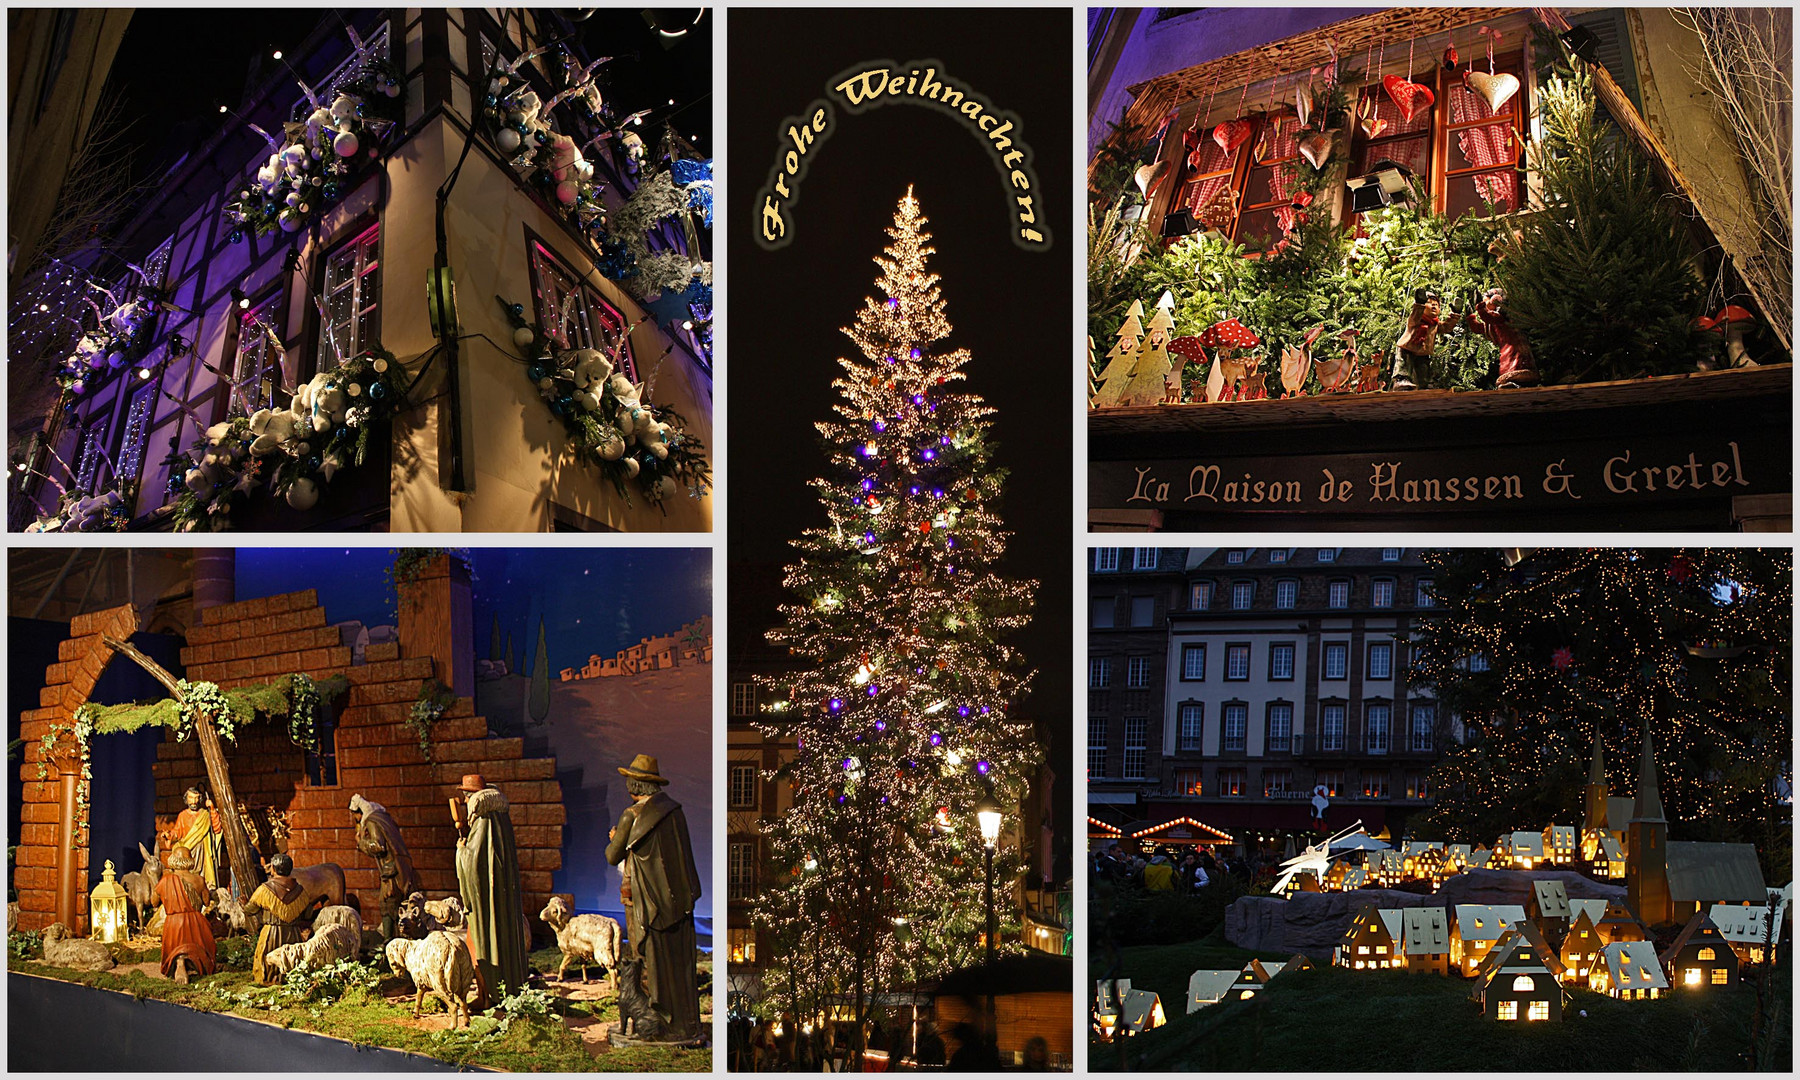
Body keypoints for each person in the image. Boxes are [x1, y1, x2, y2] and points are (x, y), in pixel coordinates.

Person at [605, 753, 703, 1040]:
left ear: (636, 784)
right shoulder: (675, 813)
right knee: (673, 961)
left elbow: (613, 856)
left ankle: (652, 1020)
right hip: (675, 902)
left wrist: (615, 839)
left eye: (629, 780)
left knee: (643, 957)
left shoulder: (631, 815)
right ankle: (679, 1022)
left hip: (643, 902)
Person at [455, 773, 529, 1004]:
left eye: (466, 797)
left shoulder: (483, 821)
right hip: (500, 898)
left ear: (473, 797)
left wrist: (460, 850)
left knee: (479, 944)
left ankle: (487, 996)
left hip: (486, 902)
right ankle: (498, 992)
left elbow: (474, 862)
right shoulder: (499, 819)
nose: (465, 803)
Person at [350, 793, 421, 940]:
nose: (355, 819)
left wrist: (361, 843)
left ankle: (390, 942)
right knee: (394, 904)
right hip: (397, 867)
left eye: (355, 815)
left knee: (387, 905)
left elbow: (378, 846)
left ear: (359, 812)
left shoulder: (371, 820)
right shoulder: (382, 817)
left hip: (391, 871)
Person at [243, 853, 310, 984]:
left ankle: (268, 981)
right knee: (292, 960)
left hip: (271, 934)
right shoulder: (300, 890)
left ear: (273, 868)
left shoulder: (265, 889)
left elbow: (250, 910)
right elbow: (307, 914)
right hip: (293, 934)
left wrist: (243, 904)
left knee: (267, 962)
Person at [154, 845, 216, 983]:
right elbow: (206, 902)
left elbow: (153, 902)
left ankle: (179, 961)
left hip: (173, 922)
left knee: (176, 946)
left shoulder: (166, 880)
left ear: (173, 860)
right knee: (202, 945)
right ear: (190, 860)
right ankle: (192, 964)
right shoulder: (198, 880)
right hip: (195, 921)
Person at [1391, 287, 1460, 391]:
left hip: (1422, 352)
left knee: (1423, 370)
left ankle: (1425, 384)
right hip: (1407, 348)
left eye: (1436, 304)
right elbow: (1415, 313)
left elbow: (1447, 327)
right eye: (1429, 303)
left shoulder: (1435, 324)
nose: (1433, 305)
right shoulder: (1416, 320)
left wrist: (1455, 314)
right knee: (1403, 365)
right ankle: (1401, 380)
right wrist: (1419, 304)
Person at [170, 785, 221, 890]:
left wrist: (212, 808)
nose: (193, 801)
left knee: (201, 874)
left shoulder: (205, 815)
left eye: (196, 798)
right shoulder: (183, 815)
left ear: (200, 799)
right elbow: (177, 832)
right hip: (187, 850)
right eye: (191, 798)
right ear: (186, 799)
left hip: (202, 850)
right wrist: (169, 836)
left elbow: (216, 828)